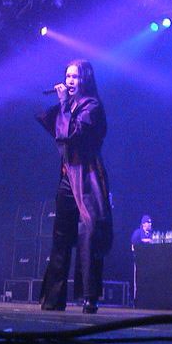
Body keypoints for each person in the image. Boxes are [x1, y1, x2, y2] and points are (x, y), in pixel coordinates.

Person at [36, 59, 113, 314]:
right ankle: (53, 298)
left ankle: (89, 297)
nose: (69, 81)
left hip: (88, 176)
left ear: (85, 80)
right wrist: (63, 105)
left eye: (75, 77)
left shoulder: (92, 106)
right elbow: (56, 129)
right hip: (68, 177)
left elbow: (73, 134)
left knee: (88, 234)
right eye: (67, 76)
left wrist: (64, 105)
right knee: (61, 237)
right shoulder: (69, 105)